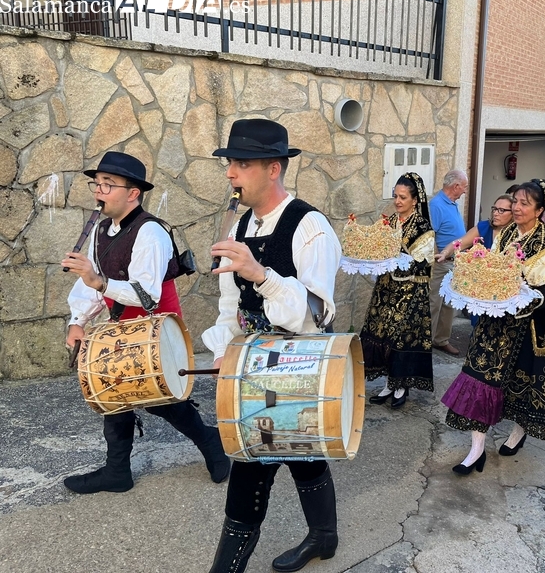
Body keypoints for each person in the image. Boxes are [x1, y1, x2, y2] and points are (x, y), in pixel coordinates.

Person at [202, 119, 342, 572]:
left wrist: (261, 275)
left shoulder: (311, 226)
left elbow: (314, 316)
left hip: (297, 366)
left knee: (250, 466)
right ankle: (325, 536)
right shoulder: (240, 222)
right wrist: (226, 348)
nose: (231, 174)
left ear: (274, 169)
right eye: (231, 164)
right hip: (251, 365)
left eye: (242, 164)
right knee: (301, 456)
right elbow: (230, 304)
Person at [61, 151, 230, 495]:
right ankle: (117, 471)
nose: (99, 191)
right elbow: (90, 283)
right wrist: (77, 321)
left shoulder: (150, 232)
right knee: (113, 392)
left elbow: (145, 294)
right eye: (98, 183)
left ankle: (210, 441)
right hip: (122, 330)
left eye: (109, 185)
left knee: (162, 402)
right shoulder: (101, 231)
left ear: (133, 193)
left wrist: (100, 282)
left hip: (155, 330)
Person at [441, 180, 545, 475]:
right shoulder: (507, 233)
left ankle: (518, 432)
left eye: (525, 203)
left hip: (528, 326)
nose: (516, 207)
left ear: (540, 210)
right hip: (494, 322)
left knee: (523, 385)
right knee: (478, 377)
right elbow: (494, 271)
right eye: (515, 201)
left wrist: (525, 296)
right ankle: (477, 450)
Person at [361, 173, 435, 408]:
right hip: (386, 289)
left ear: (415, 200)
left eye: (403, 197)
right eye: (395, 196)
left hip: (410, 292)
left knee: (400, 338)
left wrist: (397, 258)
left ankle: (400, 385)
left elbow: (423, 262)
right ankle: (388, 383)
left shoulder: (423, 227)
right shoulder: (390, 221)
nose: (398, 201)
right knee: (381, 334)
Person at [436, 194, 514, 326]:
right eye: (494, 209)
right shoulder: (484, 227)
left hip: (502, 293)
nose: (496, 213)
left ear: (513, 214)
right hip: (480, 290)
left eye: (502, 210)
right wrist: (445, 252)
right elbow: (460, 242)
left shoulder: (516, 233)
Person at [428, 169, 469, 356]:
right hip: (441, 263)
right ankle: (425, 342)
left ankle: (441, 340)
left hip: (455, 262)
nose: (465, 191)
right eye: (464, 187)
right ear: (456, 186)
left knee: (449, 304)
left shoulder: (452, 203)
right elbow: (431, 235)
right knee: (434, 302)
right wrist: (437, 259)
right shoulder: (436, 204)